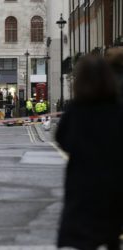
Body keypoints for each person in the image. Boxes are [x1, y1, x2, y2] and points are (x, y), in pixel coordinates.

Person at [56, 55, 123, 250]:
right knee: (111, 233)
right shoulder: (117, 110)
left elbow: (62, 138)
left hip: (82, 186)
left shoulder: (76, 111)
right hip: (113, 185)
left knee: (81, 238)